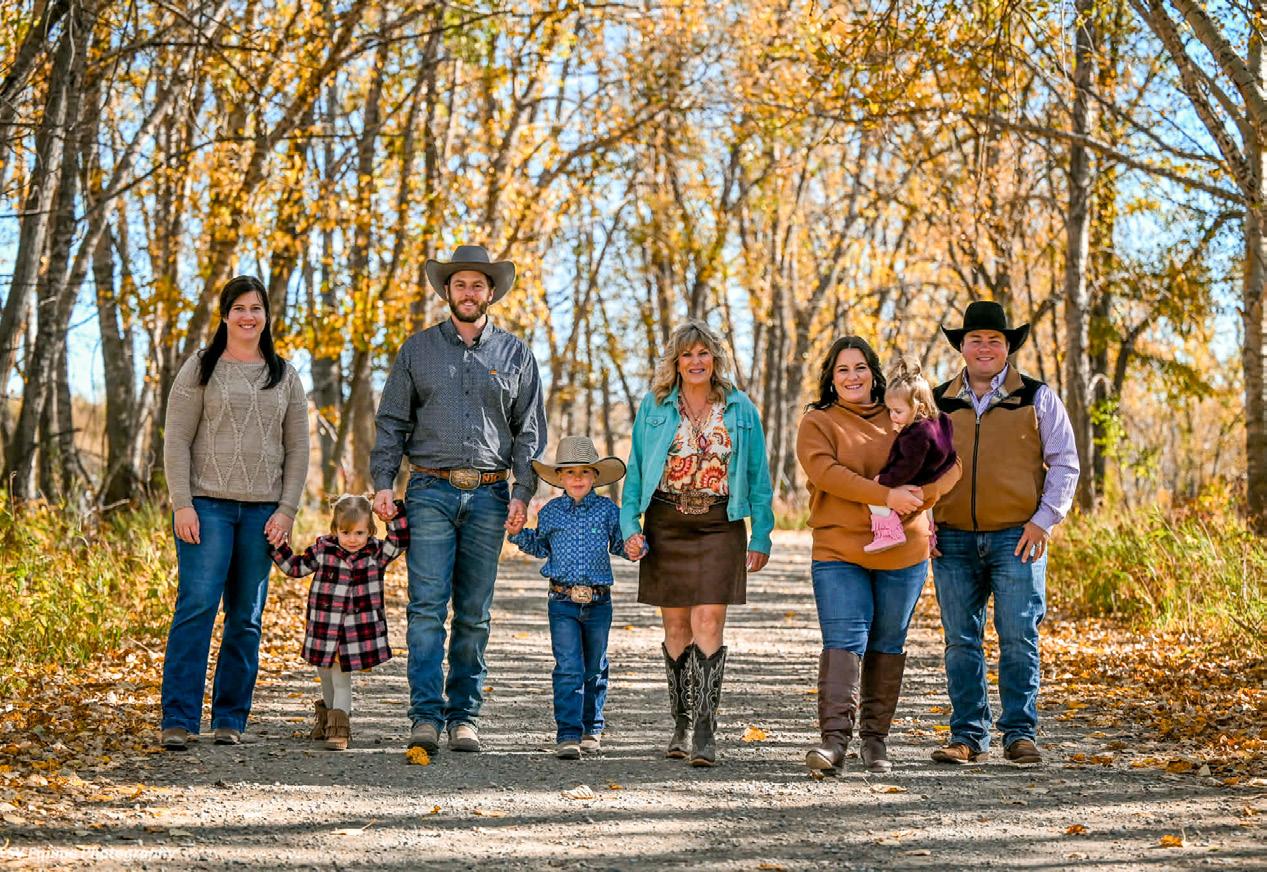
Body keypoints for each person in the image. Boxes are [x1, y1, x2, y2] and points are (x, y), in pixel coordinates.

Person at [370, 244, 546, 755]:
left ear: (491, 292)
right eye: (460, 284)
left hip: (490, 496)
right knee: (427, 608)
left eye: (478, 285)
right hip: (430, 490)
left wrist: (523, 492)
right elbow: (392, 421)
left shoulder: (515, 355)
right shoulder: (417, 350)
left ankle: (464, 716)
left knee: (474, 612)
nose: (469, 292)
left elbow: (528, 431)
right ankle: (425, 716)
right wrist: (384, 481)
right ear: (447, 290)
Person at [796, 336, 961, 775]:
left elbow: (953, 465)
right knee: (844, 639)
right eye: (842, 369)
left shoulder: (904, 411)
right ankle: (834, 743)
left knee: (887, 643)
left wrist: (921, 498)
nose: (852, 376)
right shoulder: (818, 422)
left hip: (904, 552)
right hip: (839, 548)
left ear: (874, 372)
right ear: (831, 377)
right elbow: (826, 473)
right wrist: (886, 495)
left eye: (860, 367)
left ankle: (875, 741)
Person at [159, 275, 310, 750]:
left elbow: (299, 449)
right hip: (206, 507)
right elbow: (176, 440)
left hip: (263, 512)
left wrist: (286, 511)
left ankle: (229, 718)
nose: (248, 316)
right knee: (197, 607)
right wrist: (182, 504)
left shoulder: (285, 375)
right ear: (225, 315)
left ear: (266, 316)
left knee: (246, 616)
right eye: (239, 308)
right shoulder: (200, 367)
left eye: (256, 308)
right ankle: (179, 718)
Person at [929, 301, 1079, 767]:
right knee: (960, 641)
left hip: (1018, 537)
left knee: (1018, 636)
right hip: (951, 539)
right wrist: (923, 518)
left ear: (1007, 346)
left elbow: (1065, 462)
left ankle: (1019, 733)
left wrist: (1043, 520)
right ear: (962, 346)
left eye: (994, 339)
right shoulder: (936, 401)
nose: (985, 347)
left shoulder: (1037, 397)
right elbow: (915, 465)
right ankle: (967, 736)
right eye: (975, 339)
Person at [621, 319, 774, 767]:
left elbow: (758, 477)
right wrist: (630, 525)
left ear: (715, 358)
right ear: (675, 361)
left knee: (708, 620)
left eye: (703, 353)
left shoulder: (740, 408)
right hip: (666, 521)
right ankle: (682, 723)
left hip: (719, 524)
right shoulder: (655, 406)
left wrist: (762, 533)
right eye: (686, 354)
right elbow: (636, 470)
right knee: (676, 629)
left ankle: (706, 730)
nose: (695, 361)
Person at [507, 436, 632, 759]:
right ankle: (568, 733)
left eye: (585, 472)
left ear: (595, 476)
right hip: (561, 601)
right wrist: (518, 534)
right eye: (570, 472)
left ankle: (592, 728)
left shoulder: (608, 511)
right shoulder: (551, 512)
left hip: (599, 602)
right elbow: (540, 546)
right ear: (560, 477)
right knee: (568, 667)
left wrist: (636, 547)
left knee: (595, 667)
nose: (578, 478)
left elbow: (621, 545)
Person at [268, 495, 409, 751]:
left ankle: (339, 727)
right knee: (324, 675)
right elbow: (295, 568)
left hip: (354, 632)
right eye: (345, 532)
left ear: (370, 531)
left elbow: (399, 540)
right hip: (324, 628)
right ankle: (328, 721)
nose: (352, 539)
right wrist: (278, 546)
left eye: (359, 533)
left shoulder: (376, 554)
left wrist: (394, 514)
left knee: (341, 679)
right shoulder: (324, 550)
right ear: (335, 529)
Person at [863, 358, 957, 554]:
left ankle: (889, 532)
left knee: (874, 493)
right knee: (927, 508)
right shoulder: (941, 420)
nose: (892, 416)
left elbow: (907, 465)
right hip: (933, 475)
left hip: (915, 478)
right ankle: (930, 536)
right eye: (890, 410)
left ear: (919, 408)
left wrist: (885, 480)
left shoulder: (915, 435)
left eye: (898, 411)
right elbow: (950, 449)